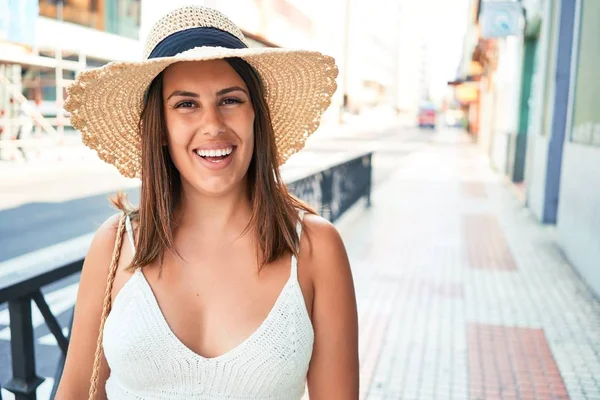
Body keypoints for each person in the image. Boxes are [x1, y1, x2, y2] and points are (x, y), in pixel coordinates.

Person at [55, 5, 359, 400]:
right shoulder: (114, 245)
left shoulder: (317, 249)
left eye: (230, 100)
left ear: (256, 116)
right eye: (186, 104)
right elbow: (76, 393)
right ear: (159, 128)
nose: (213, 125)